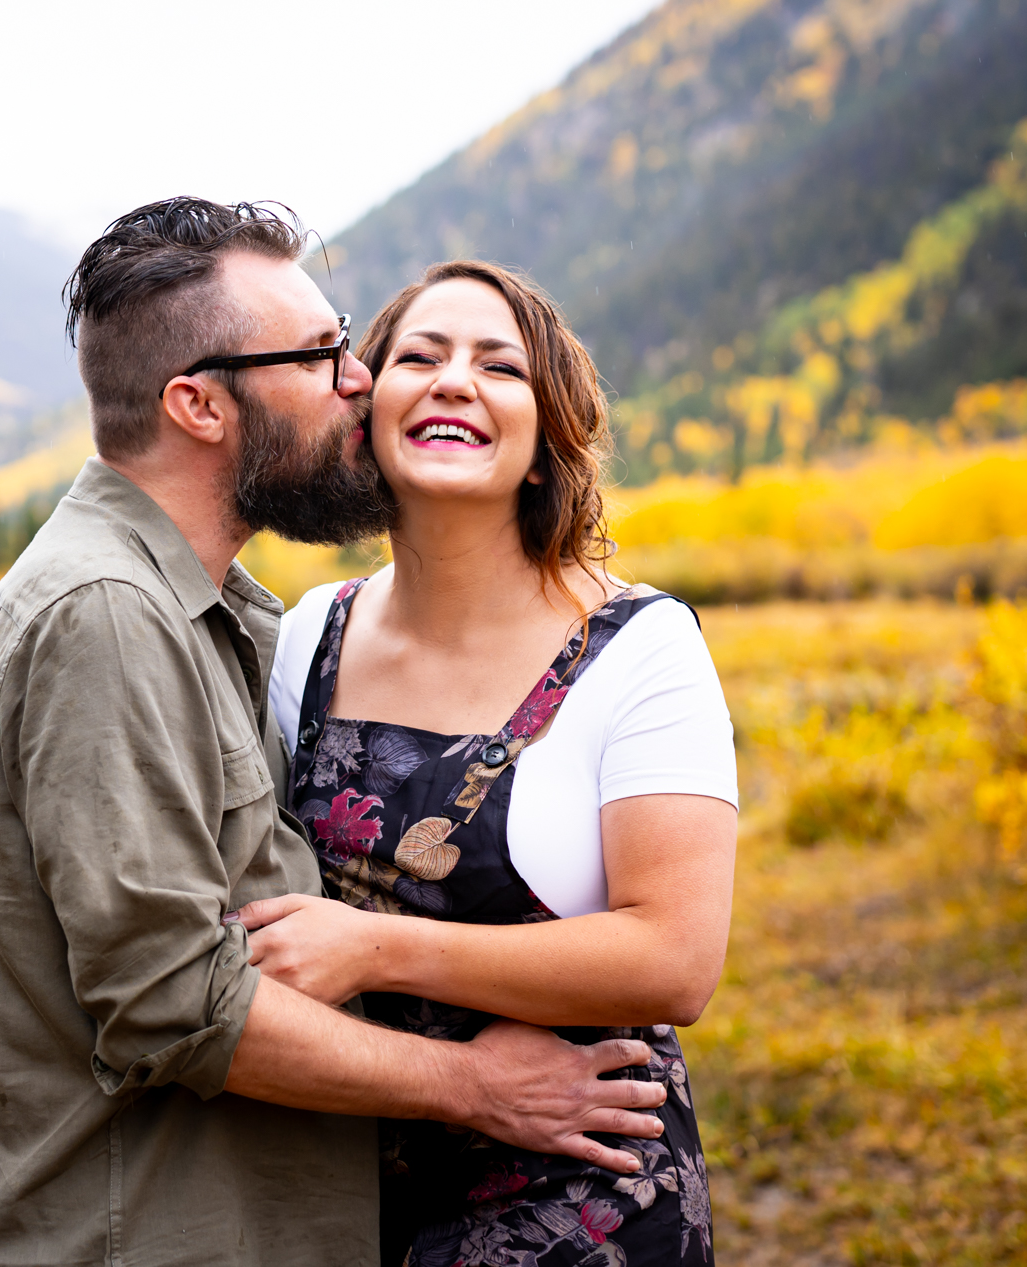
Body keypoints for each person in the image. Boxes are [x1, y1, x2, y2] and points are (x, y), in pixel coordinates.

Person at [0, 203, 672, 1267]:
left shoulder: (229, 613)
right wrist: (478, 1087)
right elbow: (173, 1001)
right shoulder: (103, 611)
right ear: (198, 404)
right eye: (322, 354)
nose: (360, 377)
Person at [243, 260, 738, 1266]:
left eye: (498, 366)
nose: (454, 380)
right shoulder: (308, 638)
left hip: (581, 1198)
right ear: (364, 406)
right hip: (340, 1195)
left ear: (546, 434)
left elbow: (674, 958)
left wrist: (373, 948)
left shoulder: (641, 647)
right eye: (418, 356)